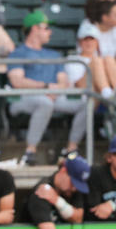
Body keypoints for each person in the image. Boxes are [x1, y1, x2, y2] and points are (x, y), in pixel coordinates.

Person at [5, 10, 88, 165]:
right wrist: (45, 87)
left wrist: (55, 90)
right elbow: (17, 81)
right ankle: (30, 152)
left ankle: (71, 149)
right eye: (46, 28)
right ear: (34, 29)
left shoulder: (54, 54)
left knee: (85, 104)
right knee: (45, 102)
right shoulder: (18, 53)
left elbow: (63, 81)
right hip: (24, 98)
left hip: (53, 96)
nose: (50, 32)